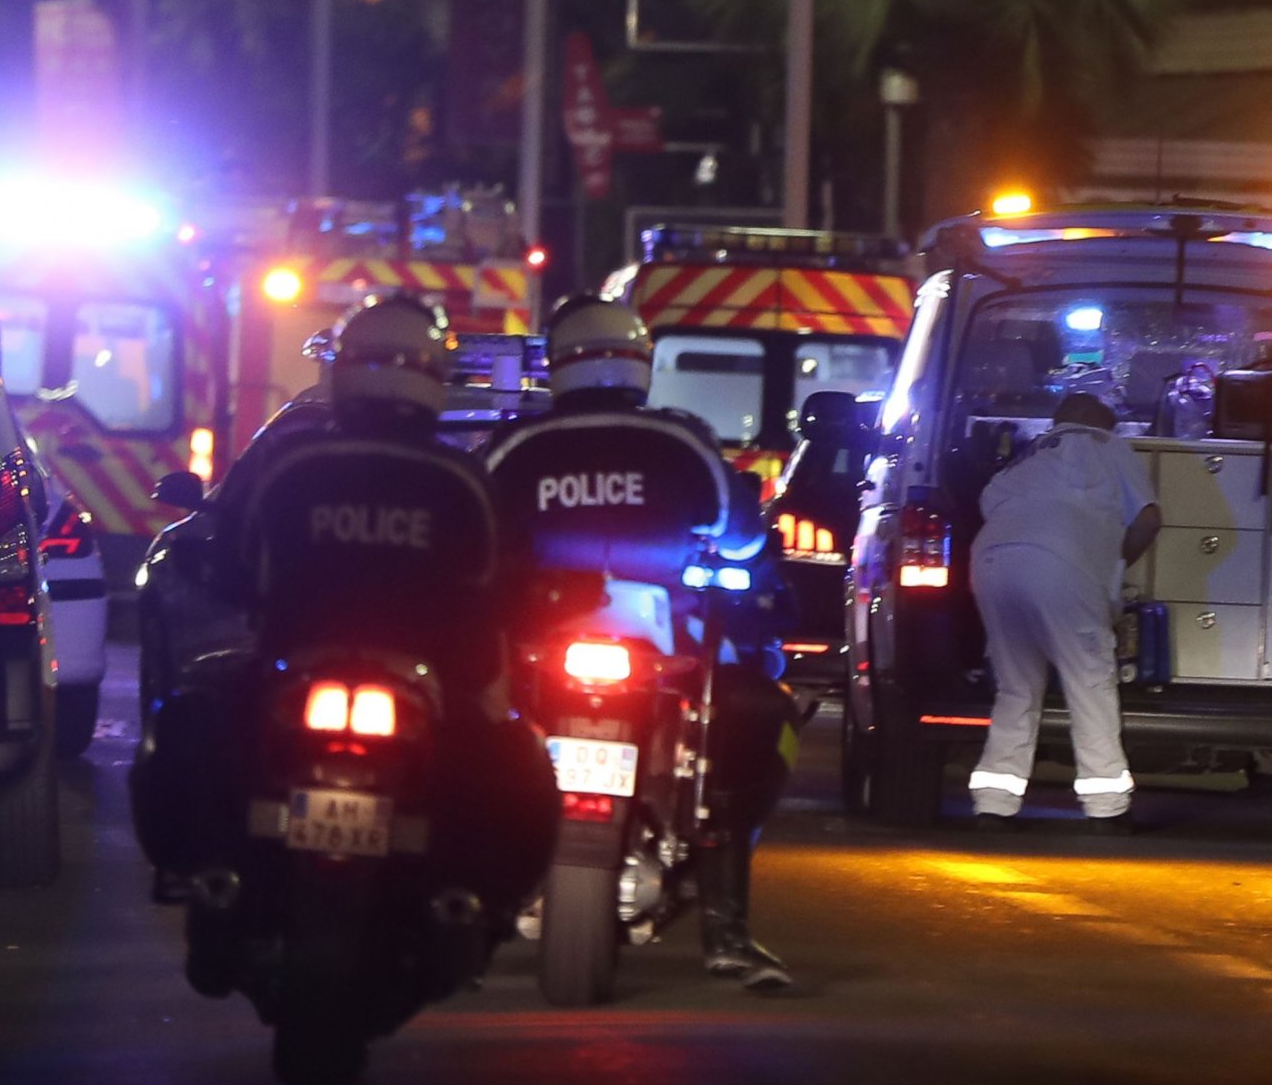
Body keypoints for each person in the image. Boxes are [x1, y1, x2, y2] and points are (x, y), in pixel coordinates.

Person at [130, 295, 556, 981]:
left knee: (190, 726)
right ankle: (475, 900)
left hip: (292, 668)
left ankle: (201, 876)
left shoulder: (295, 465)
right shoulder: (459, 479)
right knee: (514, 763)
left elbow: (233, 557)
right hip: (423, 684)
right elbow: (503, 582)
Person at [486, 297, 798, 991]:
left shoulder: (516, 445)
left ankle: (468, 911)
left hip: (539, 643)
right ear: (640, 362)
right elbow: (741, 536)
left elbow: (474, 534)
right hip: (660, 638)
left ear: (558, 363)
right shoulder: (680, 439)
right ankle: (728, 931)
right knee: (755, 721)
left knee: (478, 728)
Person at [966, 394, 1161, 830]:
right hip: (1059, 564)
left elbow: (988, 503)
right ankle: (1106, 807)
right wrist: (1111, 563)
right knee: (1090, 679)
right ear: (1101, 424)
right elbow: (1148, 519)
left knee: (1016, 685)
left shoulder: (1026, 456)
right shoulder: (1106, 445)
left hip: (991, 562)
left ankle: (994, 804)